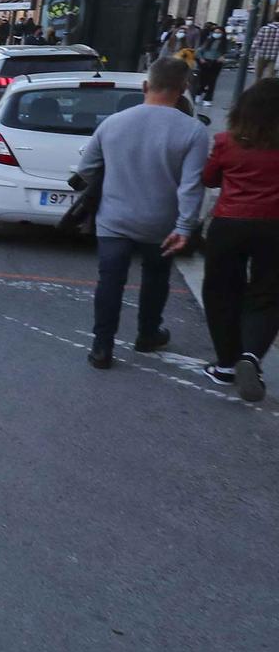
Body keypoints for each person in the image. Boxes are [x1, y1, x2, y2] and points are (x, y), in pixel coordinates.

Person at [74, 57, 211, 369]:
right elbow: (192, 186)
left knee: (110, 281)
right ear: (182, 89)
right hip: (162, 223)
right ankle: (147, 333)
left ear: (146, 85)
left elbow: (85, 170)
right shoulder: (193, 132)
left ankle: (102, 347)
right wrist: (185, 226)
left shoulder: (113, 123)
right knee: (156, 276)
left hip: (114, 220)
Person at [197, 75, 279, 398]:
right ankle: (251, 356)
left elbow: (209, 178)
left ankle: (226, 363)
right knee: (269, 294)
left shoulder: (226, 141)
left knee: (220, 291)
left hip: (229, 222)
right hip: (275, 226)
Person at [252, 7, 279, 81]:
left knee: (258, 76)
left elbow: (256, 42)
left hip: (261, 54)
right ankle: (267, 91)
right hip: (274, 57)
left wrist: (252, 53)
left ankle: (257, 90)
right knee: (270, 78)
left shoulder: (264, 28)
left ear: (273, 19)